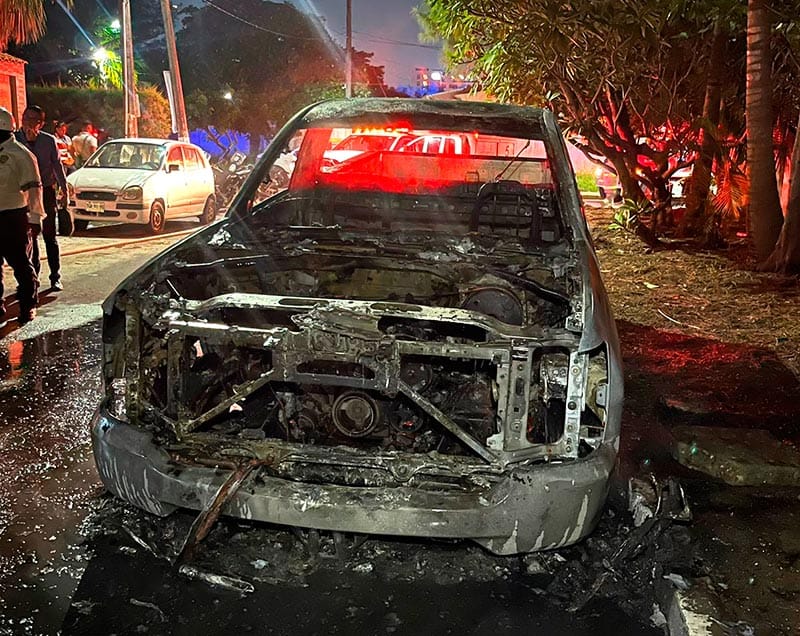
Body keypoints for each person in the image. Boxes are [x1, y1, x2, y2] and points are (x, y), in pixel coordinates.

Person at [15, 105, 67, 291]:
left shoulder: (48, 141)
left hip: (46, 191)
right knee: (30, 237)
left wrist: (64, 190)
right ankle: (33, 277)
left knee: (50, 236)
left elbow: (57, 165)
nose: (28, 122)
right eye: (26, 118)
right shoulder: (14, 140)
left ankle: (55, 276)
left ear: (41, 123)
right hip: (24, 194)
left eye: (34, 120)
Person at [0, 107, 44, 325]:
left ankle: (28, 304)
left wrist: (35, 219)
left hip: (14, 218)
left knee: (21, 265)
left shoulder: (20, 155)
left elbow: (34, 190)